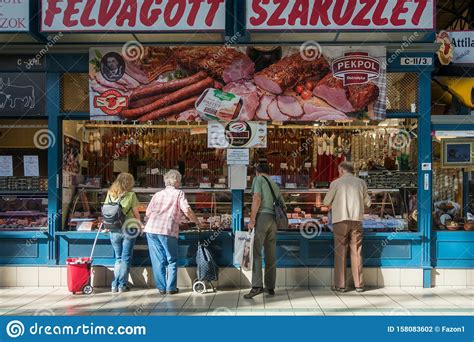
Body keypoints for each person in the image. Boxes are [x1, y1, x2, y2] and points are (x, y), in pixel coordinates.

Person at [144, 170, 203, 295]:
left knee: (158, 260)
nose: (180, 183)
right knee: (171, 259)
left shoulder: (158, 194)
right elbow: (187, 210)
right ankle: (171, 288)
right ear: (176, 181)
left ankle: (161, 287)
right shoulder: (179, 193)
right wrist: (196, 221)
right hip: (167, 229)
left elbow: (148, 213)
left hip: (151, 229)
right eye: (180, 181)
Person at [323, 162, 371, 293]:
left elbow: (326, 202)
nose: (338, 171)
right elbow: (369, 201)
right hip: (356, 220)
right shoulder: (361, 183)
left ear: (342, 170)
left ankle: (341, 285)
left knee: (340, 252)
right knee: (356, 251)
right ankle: (359, 285)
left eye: (338, 169)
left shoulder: (336, 183)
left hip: (340, 220)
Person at [244, 163, 284, 299]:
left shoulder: (258, 179)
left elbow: (256, 198)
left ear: (257, 172)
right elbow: (282, 203)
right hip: (273, 220)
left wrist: (252, 219)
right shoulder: (274, 183)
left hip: (262, 217)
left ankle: (256, 286)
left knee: (256, 252)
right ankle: (270, 287)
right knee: (270, 254)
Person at [105, 172, 142, 293]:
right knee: (125, 258)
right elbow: (136, 214)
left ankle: (114, 285)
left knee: (118, 258)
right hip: (129, 228)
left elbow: (106, 212)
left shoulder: (110, 193)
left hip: (113, 228)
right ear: (129, 182)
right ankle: (121, 285)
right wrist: (141, 226)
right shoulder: (131, 195)